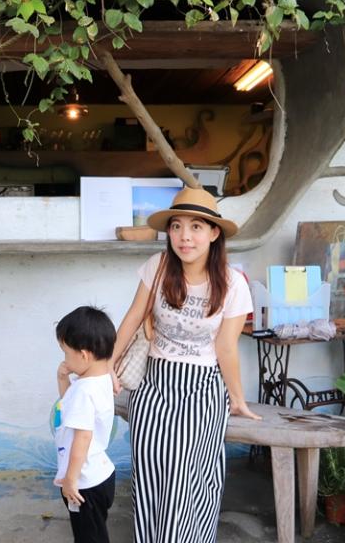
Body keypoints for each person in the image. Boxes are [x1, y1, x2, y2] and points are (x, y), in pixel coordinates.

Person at [112, 187, 261, 542]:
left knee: (186, 477)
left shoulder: (233, 284)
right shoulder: (159, 266)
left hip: (201, 388)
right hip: (154, 385)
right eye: (177, 226)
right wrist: (107, 365)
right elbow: (133, 318)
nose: (184, 236)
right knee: (150, 472)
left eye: (196, 227)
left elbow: (226, 348)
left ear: (213, 233)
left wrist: (237, 398)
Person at [53, 306, 118, 543]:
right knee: (95, 533)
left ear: (84, 355)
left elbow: (82, 438)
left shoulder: (84, 390)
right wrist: (63, 378)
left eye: (66, 353)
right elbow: (68, 407)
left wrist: (71, 479)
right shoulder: (100, 380)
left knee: (89, 538)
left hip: (84, 482)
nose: (65, 359)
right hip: (100, 475)